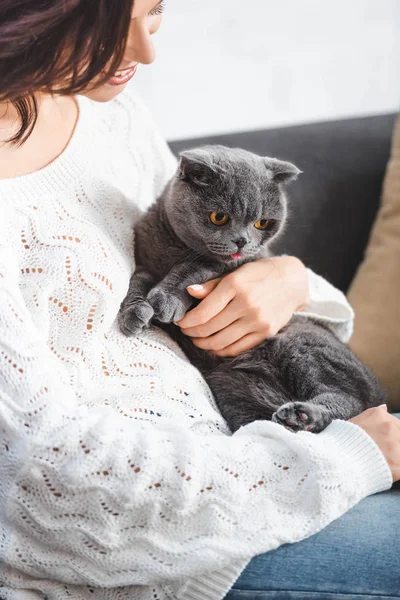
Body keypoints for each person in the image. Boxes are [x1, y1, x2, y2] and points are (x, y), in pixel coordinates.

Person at [0, 1, 399, 599]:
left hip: (253, 444)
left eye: (155, 11)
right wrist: (346, 461)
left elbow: (207, 248)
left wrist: (287, 281)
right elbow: (53, 477)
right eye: (104, 34)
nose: (144, 53)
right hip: (165, 546)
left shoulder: (102, 108)